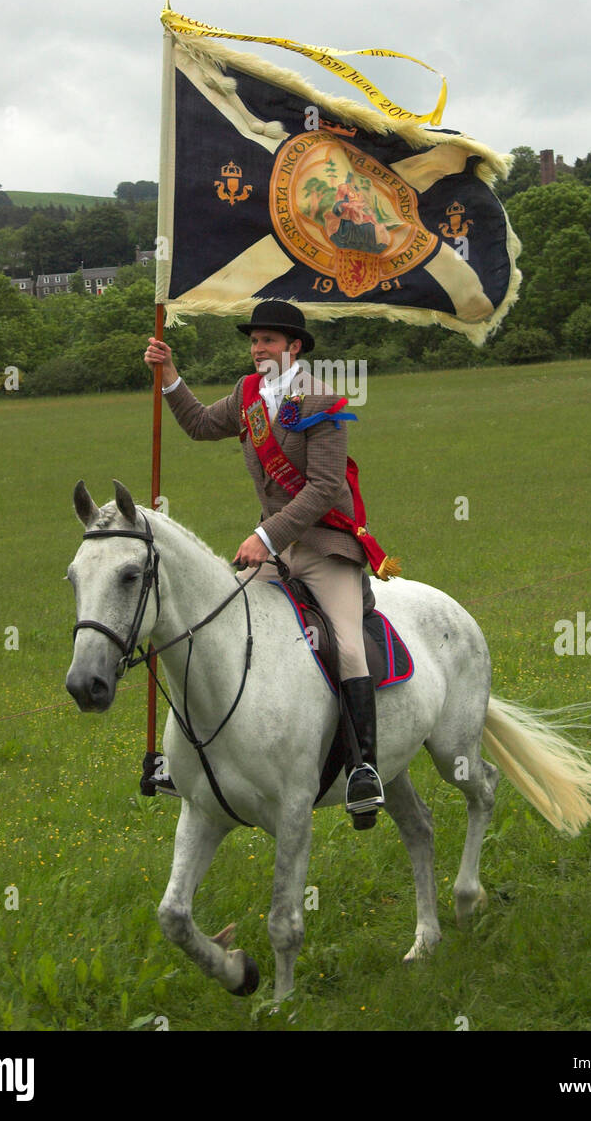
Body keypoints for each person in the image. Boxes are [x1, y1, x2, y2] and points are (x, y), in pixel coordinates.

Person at [143, 300, 386, 827]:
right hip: (276, 549)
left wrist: (265, 535)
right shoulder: (248, 395)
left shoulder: (322, 399)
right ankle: (188, 761)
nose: (258, 350)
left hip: (326, 547)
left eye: (269, 341)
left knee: (345, 642)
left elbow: (325, 487)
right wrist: (169, 376)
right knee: (219, 623)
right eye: (254, 342)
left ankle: (365, 768)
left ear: (293, 347)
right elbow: (201, 425)